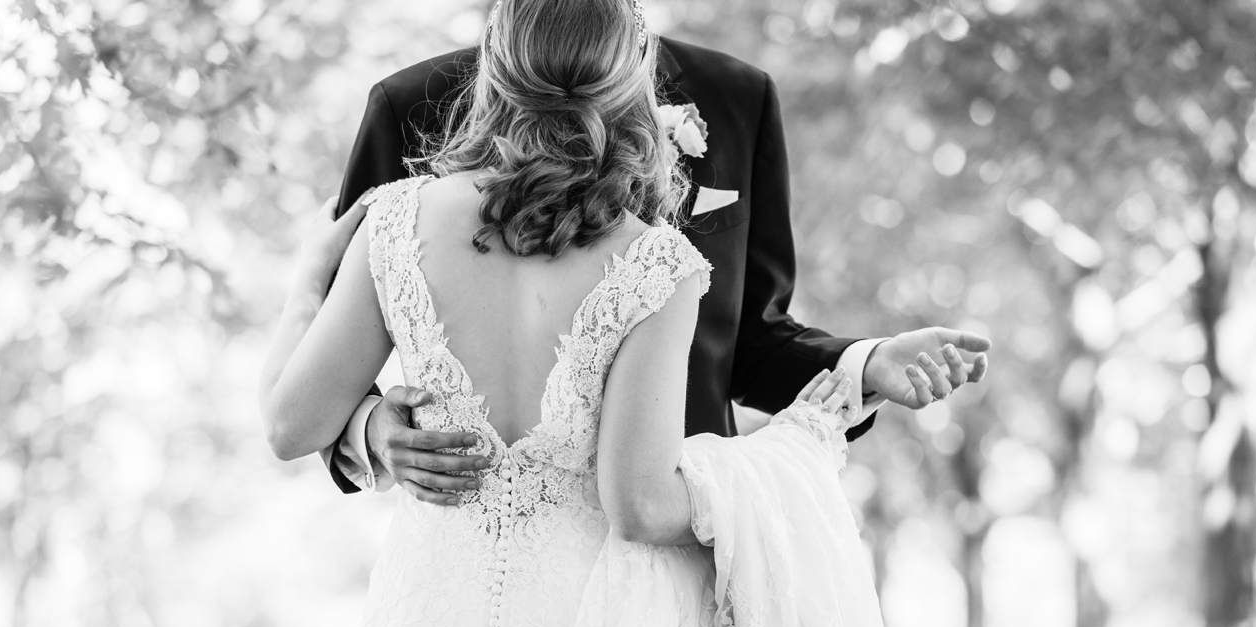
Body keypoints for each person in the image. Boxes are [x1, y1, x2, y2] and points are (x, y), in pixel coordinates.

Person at [260, 0, 939, 627]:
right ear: (634, 68)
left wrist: (307, 284)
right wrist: (798, 452)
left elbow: (290, 417)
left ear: (495, 60)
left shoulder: (396, 221)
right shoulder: (653, 259)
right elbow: (642, 504)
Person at [320, 3, 989, 505]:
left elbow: (749, 342)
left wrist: (865, 366)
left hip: (669, 559)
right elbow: (320, 348)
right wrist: (373, 430)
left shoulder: (736, 98)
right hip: (478, 547)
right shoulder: (411, 106)